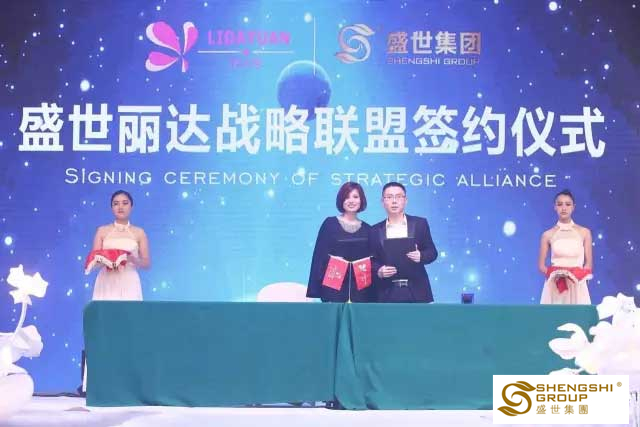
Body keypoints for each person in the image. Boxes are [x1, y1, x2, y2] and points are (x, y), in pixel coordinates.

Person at [306, 182, 375, 302]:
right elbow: (319, 255)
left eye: (355, 197)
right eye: (347, 197)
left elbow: (372, 261)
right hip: (333, 286)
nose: (351, 201)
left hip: (360, 291)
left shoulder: (368, 229)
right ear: (341, 200)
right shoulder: (329, 224)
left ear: (361, 200)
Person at [369, 182, 438, 303]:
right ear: (382, 202)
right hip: (386, 291)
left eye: (399, 196)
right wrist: (379, 271)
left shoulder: (420, 224)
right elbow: (370, 260)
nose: (394, 201)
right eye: (389, 197)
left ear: (406, 200)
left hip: (417, 291)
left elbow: (432, 252)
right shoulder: (374, 230)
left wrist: (421, 256)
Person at [91, 190, 150, 301]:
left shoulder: (139, 232)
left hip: (129, 280)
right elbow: (93, 262)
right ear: (111, 207)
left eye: (125, 203)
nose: (120, 207)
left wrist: (132, 259)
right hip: (106, 281)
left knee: (129, 311)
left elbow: (146, 263)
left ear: (131, 206)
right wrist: (107, 260)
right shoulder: (102, 231)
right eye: (116, 204)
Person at [539, 189, 593, 304]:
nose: (564, 208)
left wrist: (577, 276)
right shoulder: (547, 235)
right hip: (555, 285)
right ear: (555, 207)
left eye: (568, 204)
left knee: (578, 315)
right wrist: (555, 275)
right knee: (555, 314)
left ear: (573, 207)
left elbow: (588, 264)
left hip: (578, 285)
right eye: (560, 204)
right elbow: (541, 266)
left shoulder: (585, 232)